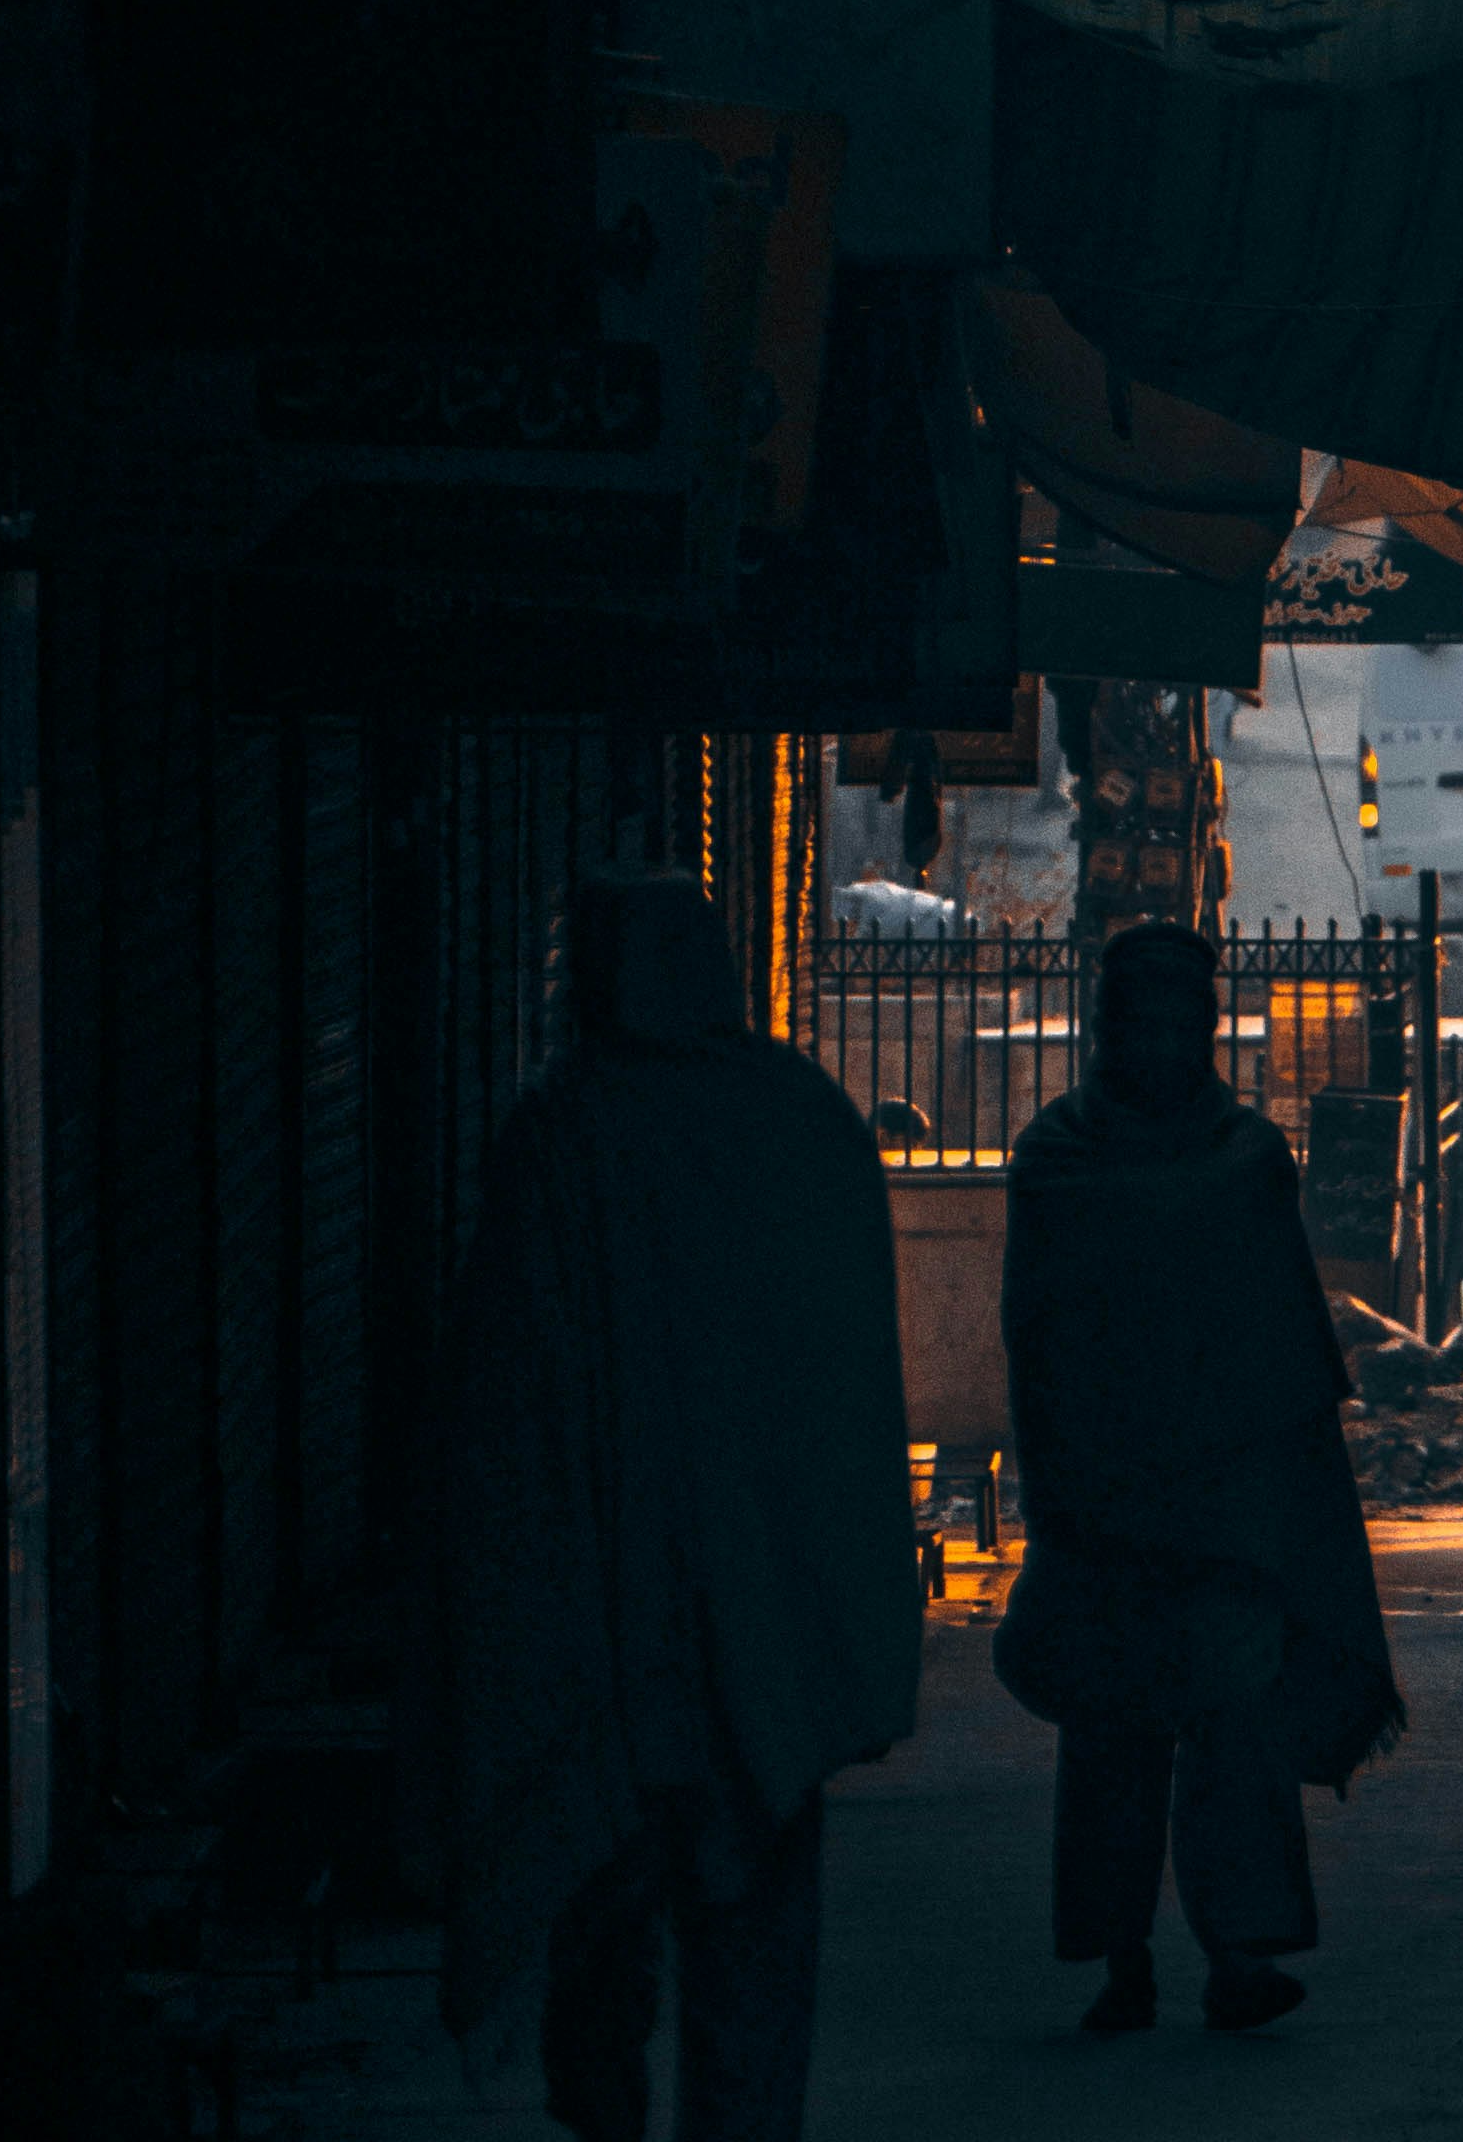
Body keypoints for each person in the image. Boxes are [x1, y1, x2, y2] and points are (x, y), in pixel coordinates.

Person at [408, 869, 919, 2142]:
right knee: (753, 1935)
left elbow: (502, 1411)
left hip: (606, 1626)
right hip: (772, 1622)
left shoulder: (563, 1140)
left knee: (600, 1914)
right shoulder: (803, 1123)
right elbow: (851, 1392)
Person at [996, 924, 1401, 2043]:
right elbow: (1036, 1338)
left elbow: (1280, 1337)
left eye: (1183, 1022)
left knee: (1233, 1733)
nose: (1165, 1043)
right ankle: (1124, 1960)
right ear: (1107, 1027)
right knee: (1116, 1737)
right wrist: (1056, 1490)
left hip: (1224, 1503)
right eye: (1144, 1022)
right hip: (1109, 1501)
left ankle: (1235, 1953)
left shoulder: (1241, 1160)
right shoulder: (1060, 1162)